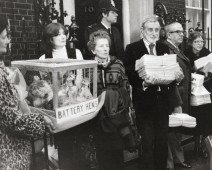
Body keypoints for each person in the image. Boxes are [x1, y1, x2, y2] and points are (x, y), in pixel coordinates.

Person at [123, 15, 182, 170]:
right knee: (147, 144)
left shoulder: (163, 48)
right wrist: (142, 82)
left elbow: (170, 72)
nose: (154, 33)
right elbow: (128, 73)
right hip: (144, 103)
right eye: (150, 29)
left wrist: (177, 77)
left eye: (157, 30)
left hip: (163, 103)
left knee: (162, 143)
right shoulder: (132, 48)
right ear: (142, 31)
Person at [0, 15, 54, 170]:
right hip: (9, 156)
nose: (8, 41)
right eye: (4, 37)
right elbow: (14, 122)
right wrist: (42, 121)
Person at [87, 30, 135, 170]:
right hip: (97, 116)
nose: (105, 49)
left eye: (107, 45)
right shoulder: (88, 66)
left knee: (117, 152)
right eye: (101, 46)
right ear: (93, 49)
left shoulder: (118, 63)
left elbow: (125, 88)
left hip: (117, 115)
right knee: (102, 153)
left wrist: (127, 110)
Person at [39, 22, 84, 170]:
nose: (63, 37)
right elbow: (46, 85)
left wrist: (74, 89)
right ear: (50, 39)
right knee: (64, 143)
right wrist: (60, 95)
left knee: (79, 142)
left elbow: (80, 74)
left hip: (76, 102)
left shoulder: (75, 53)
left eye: (64, 33)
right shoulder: (43, 58)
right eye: (58, 34)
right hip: (58, 107)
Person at [163, 22, 192, 169]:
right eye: (178, 31)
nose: (182, 34)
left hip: (181, 94)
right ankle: (170, 163)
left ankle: (177, 159)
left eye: (182, 31)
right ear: (168, 34)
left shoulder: (176, 49)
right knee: (171, 129)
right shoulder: (166, 49)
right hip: (173, 96)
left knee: (177, 129)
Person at [184, 31, 212, 159]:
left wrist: (210, 70)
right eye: (196, 41)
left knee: (206, 117)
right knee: (196, 116)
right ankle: (196, 143)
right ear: (191, 42)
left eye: (201, 41)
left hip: (205, 89)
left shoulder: (207, 53)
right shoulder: (186, 54)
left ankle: (204, 144)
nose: (200, 44)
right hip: (193, 89)